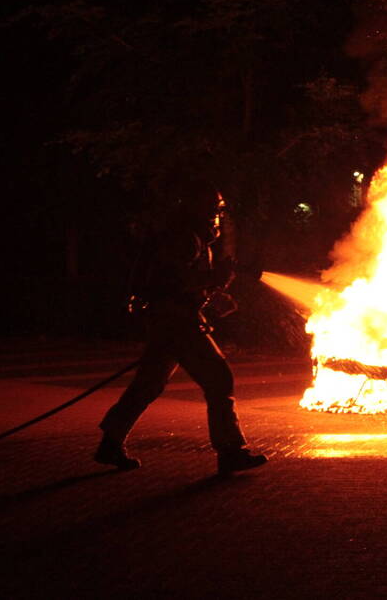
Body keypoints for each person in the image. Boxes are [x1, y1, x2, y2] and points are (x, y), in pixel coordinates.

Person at [94, 182, 267, 474]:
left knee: (148, 384)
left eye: (220, 208)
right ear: (197, 206)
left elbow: (183, 281)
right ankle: (230, 451)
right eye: (214, 207)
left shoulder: (190, 236)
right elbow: (178, 280)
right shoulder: (186, 238)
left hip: (170, 319)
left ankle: (110, 443)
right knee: (218, 378)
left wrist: (214, 291)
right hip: (178, 322)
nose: (217, 213)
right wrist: (216, 277)